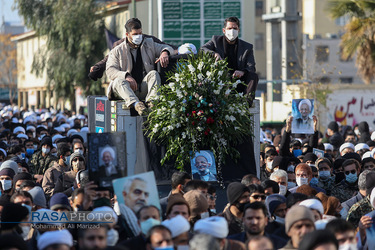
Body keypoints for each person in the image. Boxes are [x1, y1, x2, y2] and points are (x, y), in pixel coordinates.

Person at [105, 18, 175, 115]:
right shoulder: (117, 50)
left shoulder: (149, 43)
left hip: (141, 88)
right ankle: (137, 105)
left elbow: (167, 48)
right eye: (135, 34)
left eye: (140, 33)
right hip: (125, 91)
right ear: (127, 35)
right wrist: (126, 76)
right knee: (118, 80)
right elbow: (110, 70)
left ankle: (152, 105)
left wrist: (164, 53)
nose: (138, 36)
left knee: (154, 74)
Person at [201, 16, 257, 104]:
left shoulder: (247, 47)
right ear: (224, 30)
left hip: (239, 82)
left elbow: (251, 67)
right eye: (229, 28)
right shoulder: (216, 41)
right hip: (222, 81)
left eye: (235, 28)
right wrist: (214, 54)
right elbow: (202, 49)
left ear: (238, 30)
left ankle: (246, 104)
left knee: (253, 76)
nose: (232, 31)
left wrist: (242, 72)